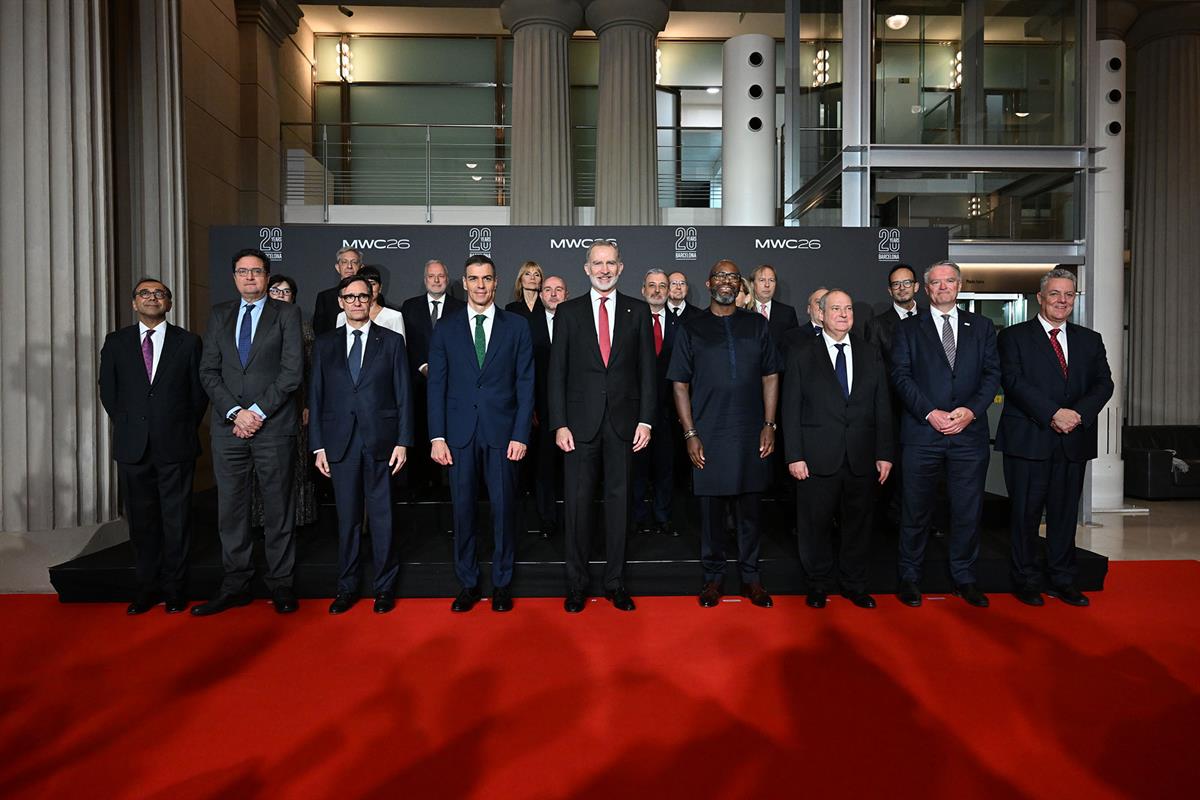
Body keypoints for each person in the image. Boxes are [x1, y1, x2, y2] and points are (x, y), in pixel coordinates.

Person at [195, 247, 304, 616]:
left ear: (267, 276)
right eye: (243, 272)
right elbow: (208, 371)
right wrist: (234, 412)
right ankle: (236, 582)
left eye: (256, 272)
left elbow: (292, 373)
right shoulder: (219, 315)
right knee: (231, 509)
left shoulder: (286, 314)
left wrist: (255, 412)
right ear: (234, 276)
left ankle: (281, 584)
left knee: (277, 508)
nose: (250, 278)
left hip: (273, 427)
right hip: (229, 430)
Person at [548, 239, 656, 613]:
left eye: (611, 262)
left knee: (619, 506)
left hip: (625, 426)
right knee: (577, 507)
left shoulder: (638, 312)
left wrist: (646, 419)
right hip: (578, 427)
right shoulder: (568, 312)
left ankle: (615, 583)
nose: (604, 269)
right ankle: (576, 585)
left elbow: (648, 372)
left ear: (621, 268)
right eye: (598, 263)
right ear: (586, 268)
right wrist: (559, 423)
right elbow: (556, 373)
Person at [996, 269, 1114, 607]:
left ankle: (1063, 580)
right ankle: (1027, 580)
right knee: (1025, 516)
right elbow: (1013, 381)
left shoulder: (1089, 339)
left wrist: (1076, 415)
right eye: (1055, 294)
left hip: (1073, 440)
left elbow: (1103, 384)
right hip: (1029, 439)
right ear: (1040, 297)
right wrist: (1053, 413)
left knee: (1064, 516)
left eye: (1068, 295)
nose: (1062, 301)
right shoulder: (1014, 336)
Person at [668, 260, 780, 608]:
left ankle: (751, 577)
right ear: (709, 282)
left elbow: (771, 375)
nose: (727, 283)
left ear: (739, 284)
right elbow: (679, 383)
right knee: (711, 513)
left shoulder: (757, 325)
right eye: (721, 277)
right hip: (709, 433)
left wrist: (769, 424)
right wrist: (690, 433)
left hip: (750, 432)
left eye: (733, 277)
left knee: (750, 511)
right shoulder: (692, 326)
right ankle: (713, 578)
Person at [427, 255, 535, 613]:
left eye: (486, 279)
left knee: (504, 511)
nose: (480, 286)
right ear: (464, 280)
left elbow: (525, 384)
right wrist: (437, 436)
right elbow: (436, 385)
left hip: (503, 434)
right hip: (458, 435)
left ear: (496, 281)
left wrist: (521, 434)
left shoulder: (517, 327)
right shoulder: (445, 327)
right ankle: (469, 583)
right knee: (463, 512)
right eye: (473, 279)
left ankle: (503, 583)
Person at [890, 260, 1000, 608]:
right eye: (935, 283)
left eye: (949, 281)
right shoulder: (909, 328)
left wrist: (970, 411)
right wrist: (929, 412)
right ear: (925, 288)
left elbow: (991, 375)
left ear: (959, 285)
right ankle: (909, 577)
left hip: (968, 435)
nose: (943, 287)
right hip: (923, 433)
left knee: (967, 510)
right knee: (915, 510)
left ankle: (964, 578)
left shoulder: (981, 326)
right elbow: (900, 376)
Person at [99, 278, 208, 615]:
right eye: (144, 294)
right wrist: (132, 425)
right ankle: (146, 588)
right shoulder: (116, 342)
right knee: (142, 522)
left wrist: (176, 425)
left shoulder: (188, 342)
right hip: (133, 447)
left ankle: (175, 590)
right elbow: (109, 391)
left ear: (169, 303)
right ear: (134, 303)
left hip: (175, 444)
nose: (152, 298)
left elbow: (198, 394)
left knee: (176, 521)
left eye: (159, 294)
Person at [783, 289, 894, 610]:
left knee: (858, 526)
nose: (844, 314)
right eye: (836, 309)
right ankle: (818, 584)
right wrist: (795, 455)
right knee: (814, 525)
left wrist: (884, 452)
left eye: (848, 308)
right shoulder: (803, 353)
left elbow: (882, 406)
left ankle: (854, 584)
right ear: (820, 314)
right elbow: (790, 408)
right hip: (816, 458)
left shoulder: (869, 352)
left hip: (861, 457)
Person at [309, 274, 414, 615]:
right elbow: (317, 396)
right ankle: (347, 587)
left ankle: (384, 588)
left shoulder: (393, 341)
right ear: (340, 301)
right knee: (348, 520)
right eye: (349, 297)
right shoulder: (325, 344)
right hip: (339, 444)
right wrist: (318, 446)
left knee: (383, 518)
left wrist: (403, 441)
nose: (356, 302)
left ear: (371, 300)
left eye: (362, 296)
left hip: (382, 442)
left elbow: (404, 396)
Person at [248, 274, 317, 528]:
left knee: (295, 465)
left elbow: (310, 370)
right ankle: (259, 517)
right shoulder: (255, 323)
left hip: (295, 404)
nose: (280, 295)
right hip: (257, 407)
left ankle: (298, 516)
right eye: (275, 290)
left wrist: (308, 403)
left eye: (286, 292)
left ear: (293, 297)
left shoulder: (303, 325)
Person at [400, 259, 466, 498]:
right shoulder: (409, 307)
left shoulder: (461, 307)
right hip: (418, 383)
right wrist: (423, 365)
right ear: (425, 279)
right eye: (431, 276)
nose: (436, 280)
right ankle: (419, 486)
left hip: (453, 383)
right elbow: (405, 343)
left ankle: (447, 486)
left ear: (447, 279)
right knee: (419, 430)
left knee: (449, 432)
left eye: (440, 276)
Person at [867, 264, 921, 528]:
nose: (902, 288)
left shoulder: (932, 319)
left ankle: (921, 519)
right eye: (896, 284)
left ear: (917, 287)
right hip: (894, 408)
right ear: (890, 290)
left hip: (929, 411)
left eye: (906, 283)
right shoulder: (878, 325)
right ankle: (892, 520)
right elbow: (875, 370)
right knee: (895, 468)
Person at [632, 269, 677, 537]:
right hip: (636, 409)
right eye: (652, 285)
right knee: (636, 467)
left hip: (670, 409)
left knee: (665, 467)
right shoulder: (631, 320)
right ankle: (637, 517)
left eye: (662, 286)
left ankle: (663, 516)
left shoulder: (681, 323)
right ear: (643, 289)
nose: (657, 290)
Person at [528, 275, 568, 537]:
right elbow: (523, 370)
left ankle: (574, 521)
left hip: (575, 409)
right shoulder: (526, 324)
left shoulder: (579, 321)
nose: (553, 294)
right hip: (539, 410)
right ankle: (547, 520)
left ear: (566, 294)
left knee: (574, 470)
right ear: (540, 295)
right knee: (544, 468)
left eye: (558, 290)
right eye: (548, 290)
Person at [335, 265, 406, 339]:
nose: (369, 289)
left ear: (380, 288)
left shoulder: (394, 316)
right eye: (364, 284)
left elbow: (399, 347)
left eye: (372, 284)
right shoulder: (342, 316)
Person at [312, 247, 362, 336]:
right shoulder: (325, 297)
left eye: (354, 262)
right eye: (344, 262)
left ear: (361, 267)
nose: (349, 266)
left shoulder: (369, 296)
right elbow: (319, 331)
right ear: (338, 267)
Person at [749, 264, 800, 346]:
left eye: (771, 280)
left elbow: (794, 345)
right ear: (752, 284)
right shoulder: (745, 310)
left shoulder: (787, 313)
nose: (767, 285)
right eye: (762, 280)